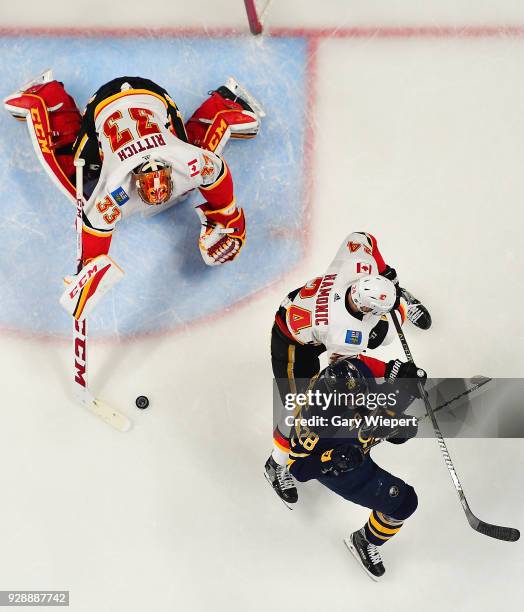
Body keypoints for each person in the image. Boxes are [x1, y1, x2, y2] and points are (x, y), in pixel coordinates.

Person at [4, 70, 265, 269]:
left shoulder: (182, 159)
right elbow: (215, 171)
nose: (160, 195)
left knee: (88, 195)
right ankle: (48, 99)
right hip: (107, 105)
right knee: (81, 189)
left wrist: (228, 216)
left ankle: (227, 104)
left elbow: (214, 170)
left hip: (150, 99)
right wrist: (227, 217)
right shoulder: (117, 183)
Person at [264, 231, 431, 505]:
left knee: (380, 333)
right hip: (293, 342)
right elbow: (345, 368)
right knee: (297, 410)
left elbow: (363, 237)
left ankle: (399, 299)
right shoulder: (344, 333)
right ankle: (276, 465)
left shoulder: (357, 267)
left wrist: (387, 274)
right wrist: (392, 369)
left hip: (306, 309)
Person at [288, 356, 425, 579]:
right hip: (344, 469)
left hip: (353, 441)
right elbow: (297, 467)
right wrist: (332, 459)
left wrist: (405, 384)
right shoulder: (315, 420)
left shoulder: (355, 371)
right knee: (404, 503)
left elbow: (376, 402)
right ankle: (363, 541)